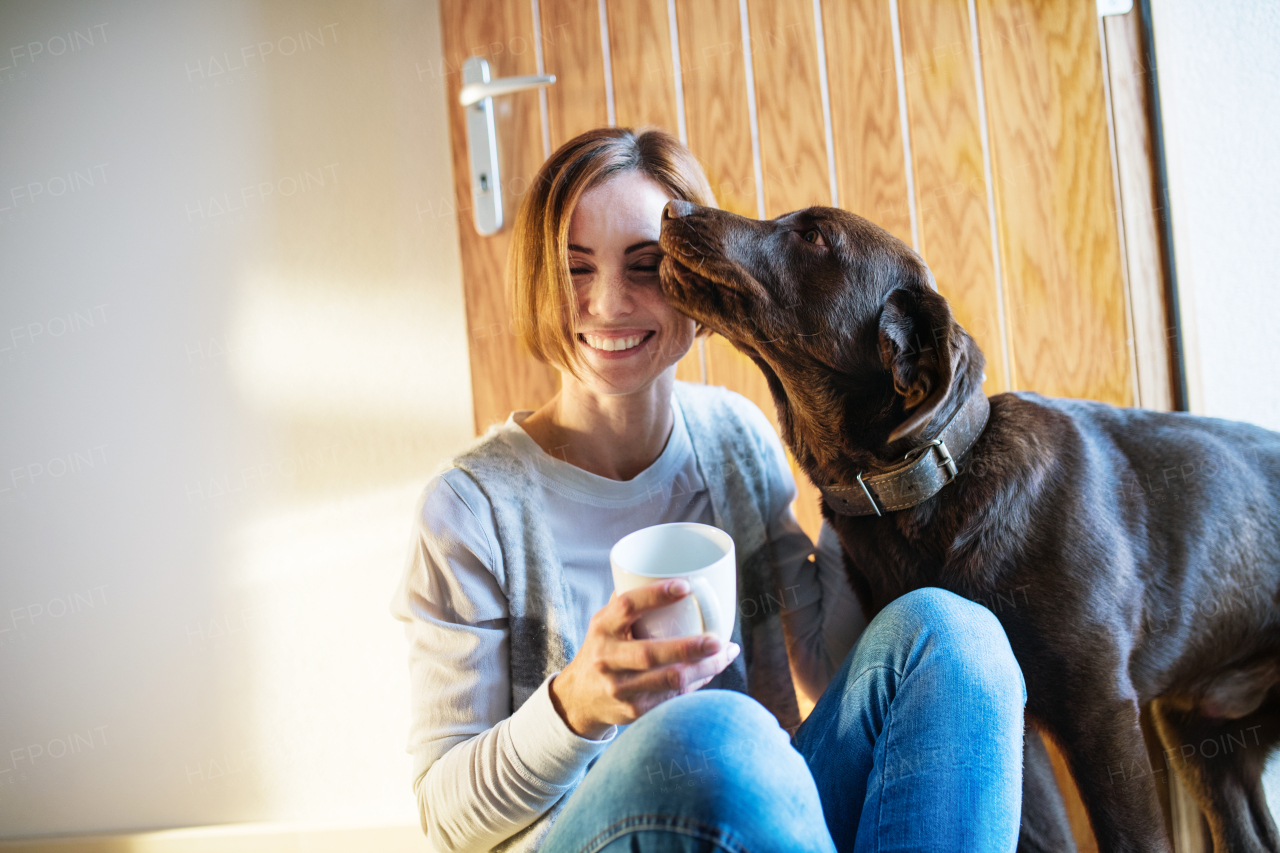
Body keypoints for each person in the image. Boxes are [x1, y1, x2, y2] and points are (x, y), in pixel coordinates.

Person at [389, 126, 1027, 853]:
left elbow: (823, 657)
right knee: (718, 727)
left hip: (757, 807)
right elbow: (446, 818)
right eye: (575, 269)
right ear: (538, 280)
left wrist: (854, 460)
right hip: (587, 832)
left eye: (644, 264)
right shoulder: (470, 508)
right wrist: (575, 706)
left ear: (693, 271)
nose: (609, 304)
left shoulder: (734, 436)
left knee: (954, 635)